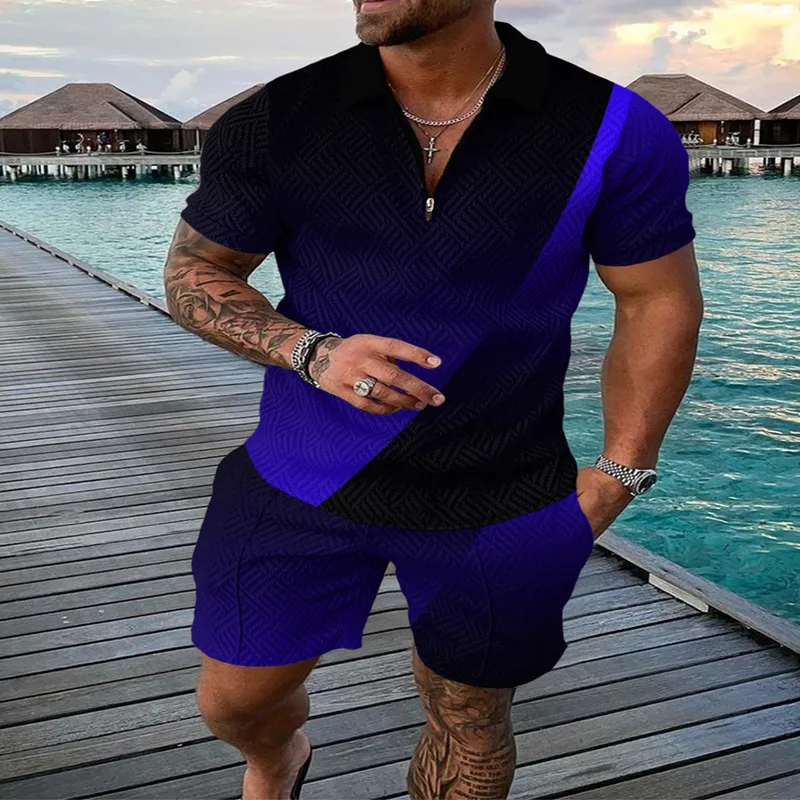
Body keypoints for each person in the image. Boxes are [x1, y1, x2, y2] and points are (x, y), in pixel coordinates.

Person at [164, 2, 703, 798]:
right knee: (235, 702)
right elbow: (195, 271)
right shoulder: (277, 117)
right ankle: (276, 758)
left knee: (471, 719)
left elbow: (656, 297)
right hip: (299, 473)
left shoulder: (612, 127)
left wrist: (623, 469)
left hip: (501, 488)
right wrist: (310, 351)